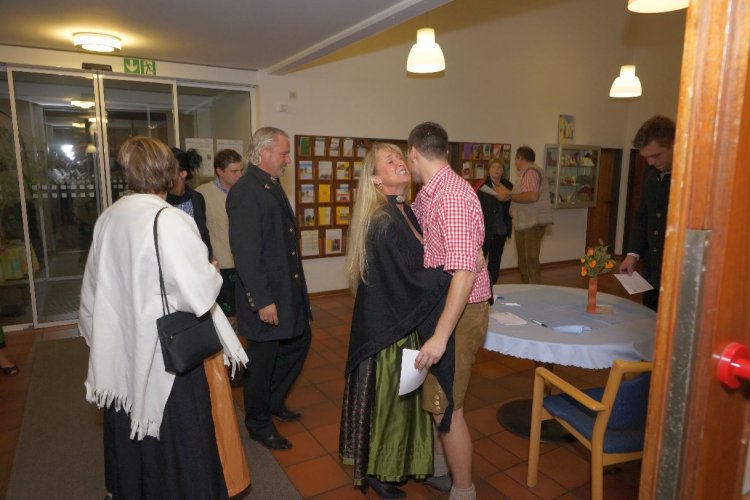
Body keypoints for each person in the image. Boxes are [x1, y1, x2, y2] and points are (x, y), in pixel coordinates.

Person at [79, 136, 247, 500]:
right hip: (167, 357)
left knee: (131, 436)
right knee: (178, 447)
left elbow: (92, 290)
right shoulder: (170, 220)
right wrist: (211, 269)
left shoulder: (109, 217)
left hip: (123, 348)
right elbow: (198, 295)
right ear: (171, 173)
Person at [339, 143, 451, 498]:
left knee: (402, 403)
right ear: (375, 179)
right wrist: (456, 269)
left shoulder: (403, 210)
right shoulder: (383, 221)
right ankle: (379, 471)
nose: (400, 163)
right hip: (388, 331)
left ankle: (398, 465)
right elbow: (409, 279)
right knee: (391, 408)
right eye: (390, 161)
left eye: (401, 157)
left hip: (397, 323)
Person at [408, 122, 491, 500]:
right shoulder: (430, 192)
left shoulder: (452, 195)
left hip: (459, 314)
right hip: (441, 308)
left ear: (414, 152)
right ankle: (442, 471)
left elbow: (464, 272)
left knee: (448, 408)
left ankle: (463, 490)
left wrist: (441, 337)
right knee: (436, 400)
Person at [227, 127, 311, 451]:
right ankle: (258, 423)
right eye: (284, 153)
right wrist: (262, 301)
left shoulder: (269, 184)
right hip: (266, 296)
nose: (288, 160)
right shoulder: (246, 191)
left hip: (285, 292)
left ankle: (273, 401)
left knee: (299, 340)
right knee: (261, 362)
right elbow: (247, 254)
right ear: (264, 152)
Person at [619, 115, 675, 311]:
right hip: (652, 271)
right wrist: (633, 254)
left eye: (656, 155)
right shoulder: (650, 173)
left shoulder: (692, 175)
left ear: (673, 144)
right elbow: (643, 214)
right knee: (650, 316)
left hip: (676, 271)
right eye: (646, 157)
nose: (650, 162)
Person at [196, 149, 245, 323]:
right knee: (225, 316)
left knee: (245, 313)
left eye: (241, 170)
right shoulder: (201, 194)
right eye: (234, 171)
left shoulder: (246, 192)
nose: (240, 175)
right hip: (220, 265)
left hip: (245, 263)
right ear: (219, 171)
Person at [494, 146, 553, 284]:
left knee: (529, 260)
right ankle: (528, 289)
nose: (515, 162)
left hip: (531, 223)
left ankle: (534, 291)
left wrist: (508, 195)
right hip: (527, 223)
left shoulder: (530, 172)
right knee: (524, 261)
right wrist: (508, 193)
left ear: (520, 158)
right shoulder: (528, 172)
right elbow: (525, 194)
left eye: (516, 159)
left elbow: (532, 196)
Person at [476, 158, 513, 300]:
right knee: (480, 260)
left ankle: (491, 289)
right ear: (489, 170)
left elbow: (512, 203)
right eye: (494, 167)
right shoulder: (482, 185)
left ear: (503, 170)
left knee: (495, 262)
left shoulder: (508, 185)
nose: (497, 170)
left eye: (500, 167)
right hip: (485, 229)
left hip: (501, 229)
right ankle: (478, 291)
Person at [168, 147, 213, 258]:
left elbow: (203, 233)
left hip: (196, 259)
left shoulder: (197, 198)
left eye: (168, 170)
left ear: (183, 173)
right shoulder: (159, 199)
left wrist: (209, 259)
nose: (162, 175)